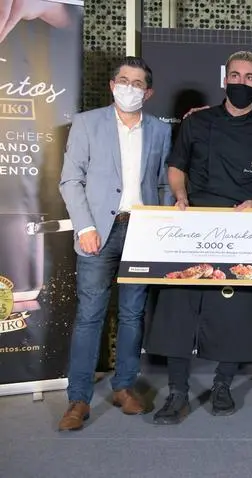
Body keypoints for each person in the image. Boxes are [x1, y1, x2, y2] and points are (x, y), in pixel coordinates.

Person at [146, 51, 252, 425]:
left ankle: (223, 385)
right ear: (225, 79)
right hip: (194, 224)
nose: (242, 82)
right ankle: (177, 392)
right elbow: (176, 166)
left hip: (243, 229)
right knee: (178, 311)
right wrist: (180, 196)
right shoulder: (197, 122)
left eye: (249, 77)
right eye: (236, 75)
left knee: (236, 313)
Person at [57, 57, 172, 431]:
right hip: (98, 233)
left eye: (138, 83)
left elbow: (163, 184)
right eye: (123, 80)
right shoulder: (87, 123)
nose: (129, 88)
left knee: (133, 314)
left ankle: (124, 387)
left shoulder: (160, 130)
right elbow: (70, 180)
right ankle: (78, 398)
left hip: (142, 232)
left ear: (148, 92)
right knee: (90, 315)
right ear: (112, 85)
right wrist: (85, 227)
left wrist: (162, 225)